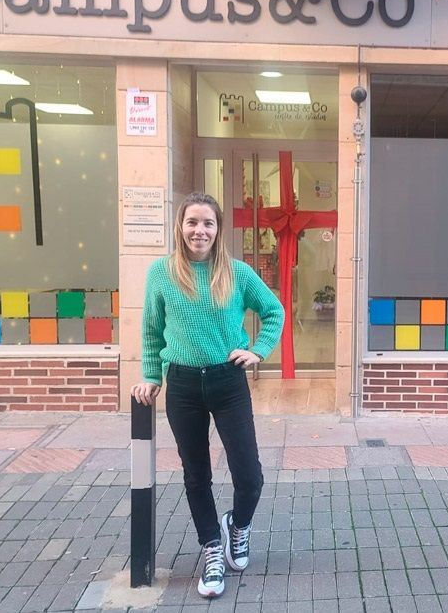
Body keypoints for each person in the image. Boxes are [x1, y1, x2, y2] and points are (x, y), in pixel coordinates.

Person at [131, 192, 284, 599]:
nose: (200, 230)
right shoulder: (161, 274)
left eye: (208, 223)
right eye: (192, 222)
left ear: (218, 230)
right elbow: (151, 329)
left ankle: (239, 527)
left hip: (228, 381)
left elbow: (274, 311)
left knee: (249, 475)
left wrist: (258, 350)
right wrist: (150, 375)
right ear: (180, 227)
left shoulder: (237, 273)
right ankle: (212, 547)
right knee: (196, 474)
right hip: (181, 386)